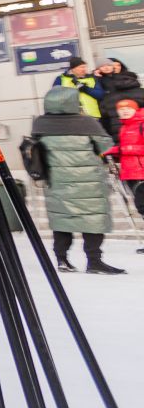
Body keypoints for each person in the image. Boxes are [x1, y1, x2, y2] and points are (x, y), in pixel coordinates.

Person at [32, 86, 126, 274]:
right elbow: (106, 147)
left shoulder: (40, 124)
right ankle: (94, 262)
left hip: (57, 182)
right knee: (92, 221)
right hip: (89, 182)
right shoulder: (87, 122)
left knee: (62, 221)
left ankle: (62, 260)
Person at [110, 97, 144, 224]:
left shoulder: (141, 124)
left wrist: (124, 149)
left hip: (141, 172)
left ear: (135, 109)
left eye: (128, 108)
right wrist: (117, 151)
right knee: (141, 207)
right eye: (121, 109)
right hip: (131, 173)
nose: (125, 111)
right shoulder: (124, 127)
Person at [96, 60, 140, 142]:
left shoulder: (118, 80)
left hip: (116, 111)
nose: (106, 67)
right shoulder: (98, 80)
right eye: (102, 66)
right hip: (111, 113)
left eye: (108, 65)